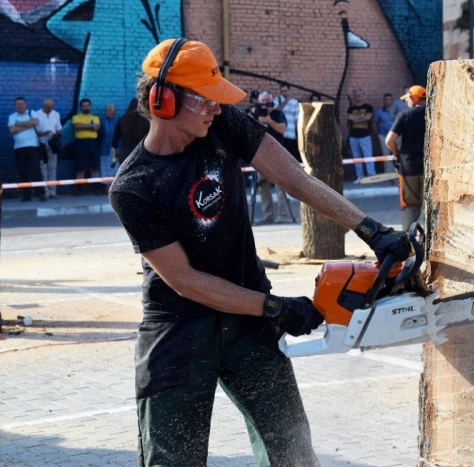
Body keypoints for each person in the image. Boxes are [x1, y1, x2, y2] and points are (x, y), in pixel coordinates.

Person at [108, 38, 410, 467]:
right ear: (165, 99)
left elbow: (293, 178)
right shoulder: (134, 186)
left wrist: (368, 228)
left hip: (247, 319)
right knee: (173, 460)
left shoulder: (222, 125)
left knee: (292, 453)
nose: (217, 107)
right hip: (179, 329)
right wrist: (275, 308)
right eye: (207, 99)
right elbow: (186, 280)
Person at [249, 91, 294, 224]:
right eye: (263, 101)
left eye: (268, 101)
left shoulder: (278, 114)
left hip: (278, 154)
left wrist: (269, 121)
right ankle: (268, 214)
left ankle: (284, 214)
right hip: (260, 155)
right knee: (263, 186)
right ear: (258, 102)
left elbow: (282, 129)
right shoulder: (254, 113)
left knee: (281, 186)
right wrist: (253, 115)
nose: (265, 104)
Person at [385, 85, 426, 231]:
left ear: (414, 98)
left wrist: (397, 154)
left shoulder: (404, 115)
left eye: (408, 98)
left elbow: (389, 141)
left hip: (409, 166)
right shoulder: (434, 115)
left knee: (410, 204)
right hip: (430, 167)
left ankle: (409, 240)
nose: (407, 101)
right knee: (431, 205)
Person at [8, 97, 46, 201]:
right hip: (19, 148)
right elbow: (12, 130)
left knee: (36, 171)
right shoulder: (12, 116)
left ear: (26, 104)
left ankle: (40, 193)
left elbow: (35, 123)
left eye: (22, 104)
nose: (20, 106)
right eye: (18, 104)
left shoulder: (31, 112)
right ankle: (26, 195)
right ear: (15, 106)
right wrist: (27, 124)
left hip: (33, 146)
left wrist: (19, 124)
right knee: (22, 171)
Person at [71, 98, 101, 195]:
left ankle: (96, 189)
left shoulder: (95, 117)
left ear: (90, 106)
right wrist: (90, 126)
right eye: (84, 106)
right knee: (80, 168)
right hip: (80, 143)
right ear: (81, 107)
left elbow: (96, 127)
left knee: (94, 168)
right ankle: (79, 190)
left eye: (87, 105)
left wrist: (84, 126)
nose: (86, 107)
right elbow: (76, 126)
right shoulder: (76, 117)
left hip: (93, 143)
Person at [34, 97, 62, 198]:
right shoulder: (36, 114)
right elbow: (34, 131)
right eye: (47, 107)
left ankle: (52, 191)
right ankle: (44, 191)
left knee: (52, 168)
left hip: (52, 144)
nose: (49, 109)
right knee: (43, 168)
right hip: (41, 145)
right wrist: (43, 133)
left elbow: (59, 129)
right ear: (43, 106)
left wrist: (56, 134)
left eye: (51, 107)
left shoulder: (56, 114)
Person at [111, 98, 150, 167]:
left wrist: (115, 155)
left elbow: (114, 142)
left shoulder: (122, 121)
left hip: (125, 154)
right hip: (141, 155)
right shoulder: (147, 122)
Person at [347, 88, 375, 183]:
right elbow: (350, 118)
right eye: (356, 95)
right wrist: (362, 117)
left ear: (363, 95)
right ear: (354, 96)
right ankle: (360, 177)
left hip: (365, 135)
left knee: (368, 156)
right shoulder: (351, 108)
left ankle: (371, 176)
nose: (358, 96)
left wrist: (357, 118)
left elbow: (368, 117)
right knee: (356, 157)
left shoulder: (368, 107)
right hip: (353, 136)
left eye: (360, 94)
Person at [274, 82, 302, 162]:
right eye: (282, 91)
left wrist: (298, 134)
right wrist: (286, 101)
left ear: (289, 91)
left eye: (286, 91)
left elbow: (297, 119)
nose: (284, 93)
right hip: (281, 135)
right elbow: (275, 112)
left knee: (292, 159)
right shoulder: (277, 100)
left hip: (291, 136)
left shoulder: (295, 102)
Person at [99, 104, 118, 179]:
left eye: (109, 110)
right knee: (105, 171)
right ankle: (107, 189)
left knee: (116, 169)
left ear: (114, 111)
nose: (107, 112)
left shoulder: (118, 121)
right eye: (106, 110)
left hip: (116, 150)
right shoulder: (102, 122)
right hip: (105, 149)